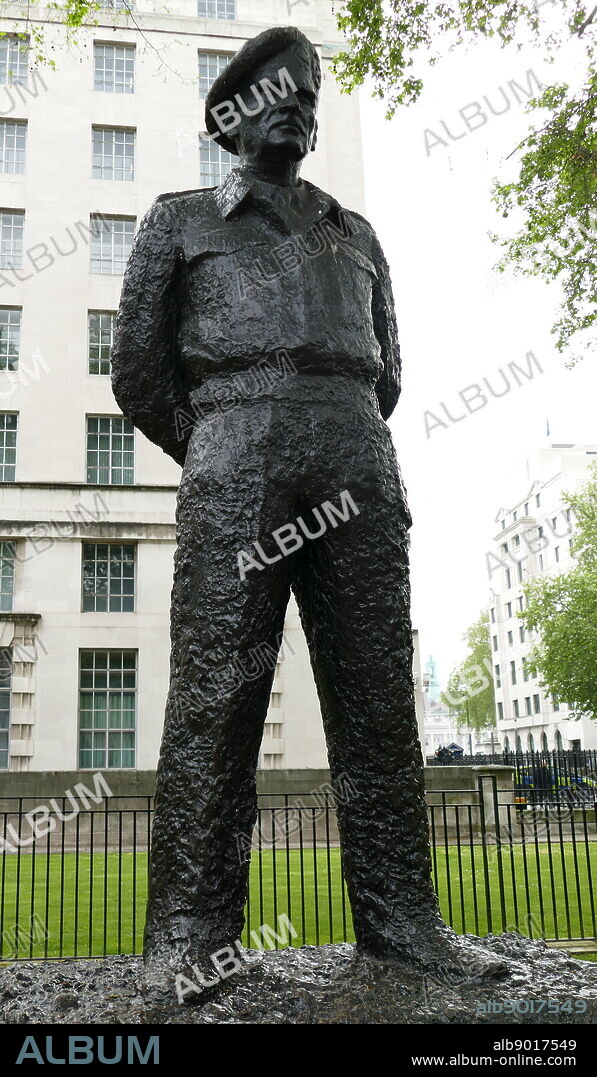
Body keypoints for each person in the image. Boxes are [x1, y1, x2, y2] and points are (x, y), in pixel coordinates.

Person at [111, 25, 505, 983]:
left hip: (354, 449)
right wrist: (218, 443)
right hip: (235, 452)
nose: (293, 103)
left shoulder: (354, 233)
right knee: (215, 699)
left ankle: (402, 923)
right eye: (271, 89)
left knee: (377, 700)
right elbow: (138, 375)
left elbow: (391, 371)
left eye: (307, 91)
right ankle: (188, 939)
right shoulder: (179, 220)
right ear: (230, 116)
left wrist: (337, 435)